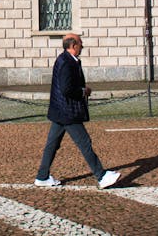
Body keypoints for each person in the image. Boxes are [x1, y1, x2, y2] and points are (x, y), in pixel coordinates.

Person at [34, 33, 120, 189]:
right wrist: (83, 91)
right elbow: (67, 89)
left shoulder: (64, 59)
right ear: (73, 46)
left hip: (60, 111)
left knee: (52, 145)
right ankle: (101, 176)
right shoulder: (67, 62)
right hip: (68, 111)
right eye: (80, 44)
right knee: (84, 143)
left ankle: (42, 176)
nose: (82, 47)